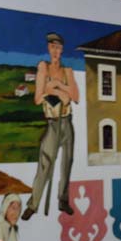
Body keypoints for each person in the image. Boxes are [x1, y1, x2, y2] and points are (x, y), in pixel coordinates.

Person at [22, 32, 79, 220]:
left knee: (67, 163)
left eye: (59, 47)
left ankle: (63, 200)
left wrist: (60, 88)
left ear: (62, 50)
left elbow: (75, 96)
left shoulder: (67, 71)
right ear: (48, 48)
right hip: (53, 122)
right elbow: (38, 97)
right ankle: (34, 204)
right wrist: (54, 86)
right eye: (53, 47)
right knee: (45, 163)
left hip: (66, 121)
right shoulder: (43, 67)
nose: (56, 51)